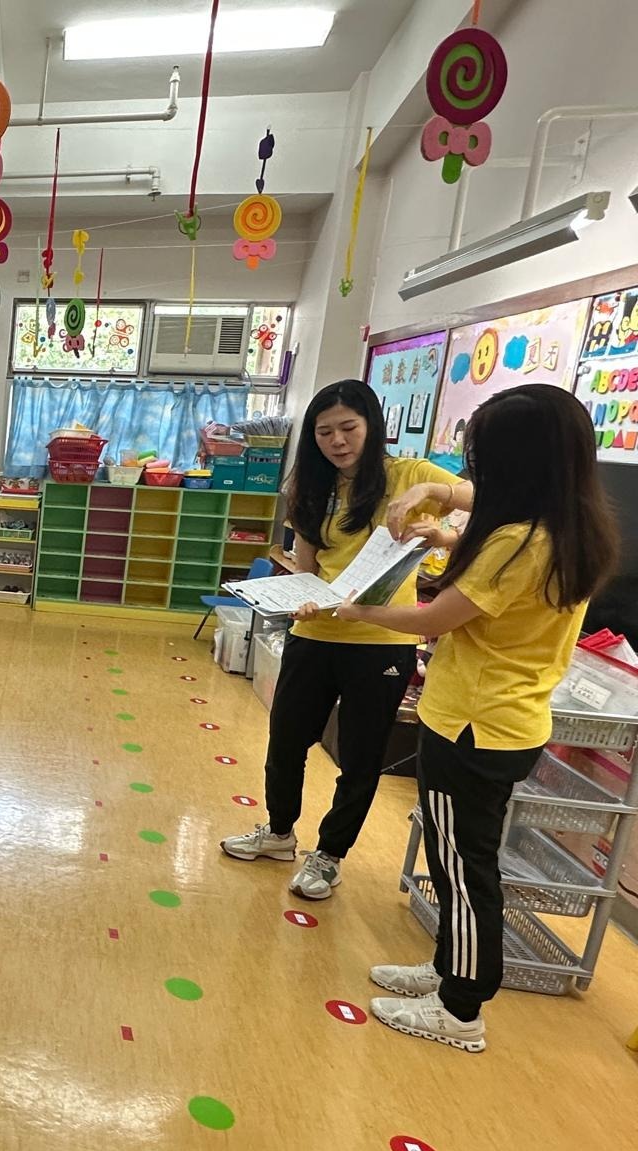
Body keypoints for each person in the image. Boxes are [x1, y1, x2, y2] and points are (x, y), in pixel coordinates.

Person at [336, 385, 617, 1053]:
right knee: (460, 858)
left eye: (481, 459)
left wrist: (356, 608)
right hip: (505, 718)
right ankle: (447, 969)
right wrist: (439, 525)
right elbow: (493, 588)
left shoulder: (518, 541)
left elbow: (436, 618)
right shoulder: (565, 528)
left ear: (516, 464)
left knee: (463, 869)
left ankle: (461, 1007)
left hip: (472, 723)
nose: (473, 472)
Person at [221, 380, 473, 900]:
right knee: (286, 741)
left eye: (348, 428)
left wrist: (432, 495)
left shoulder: (408, 475)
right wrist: (301, 596)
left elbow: (487, 501)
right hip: (315, 631)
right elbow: (308, 566)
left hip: (380, 641)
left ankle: (330, 855)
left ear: (371, 426)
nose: (337, 441)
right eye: (324, 432)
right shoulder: (310, 487)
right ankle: (278, 832)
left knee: (360, 757)